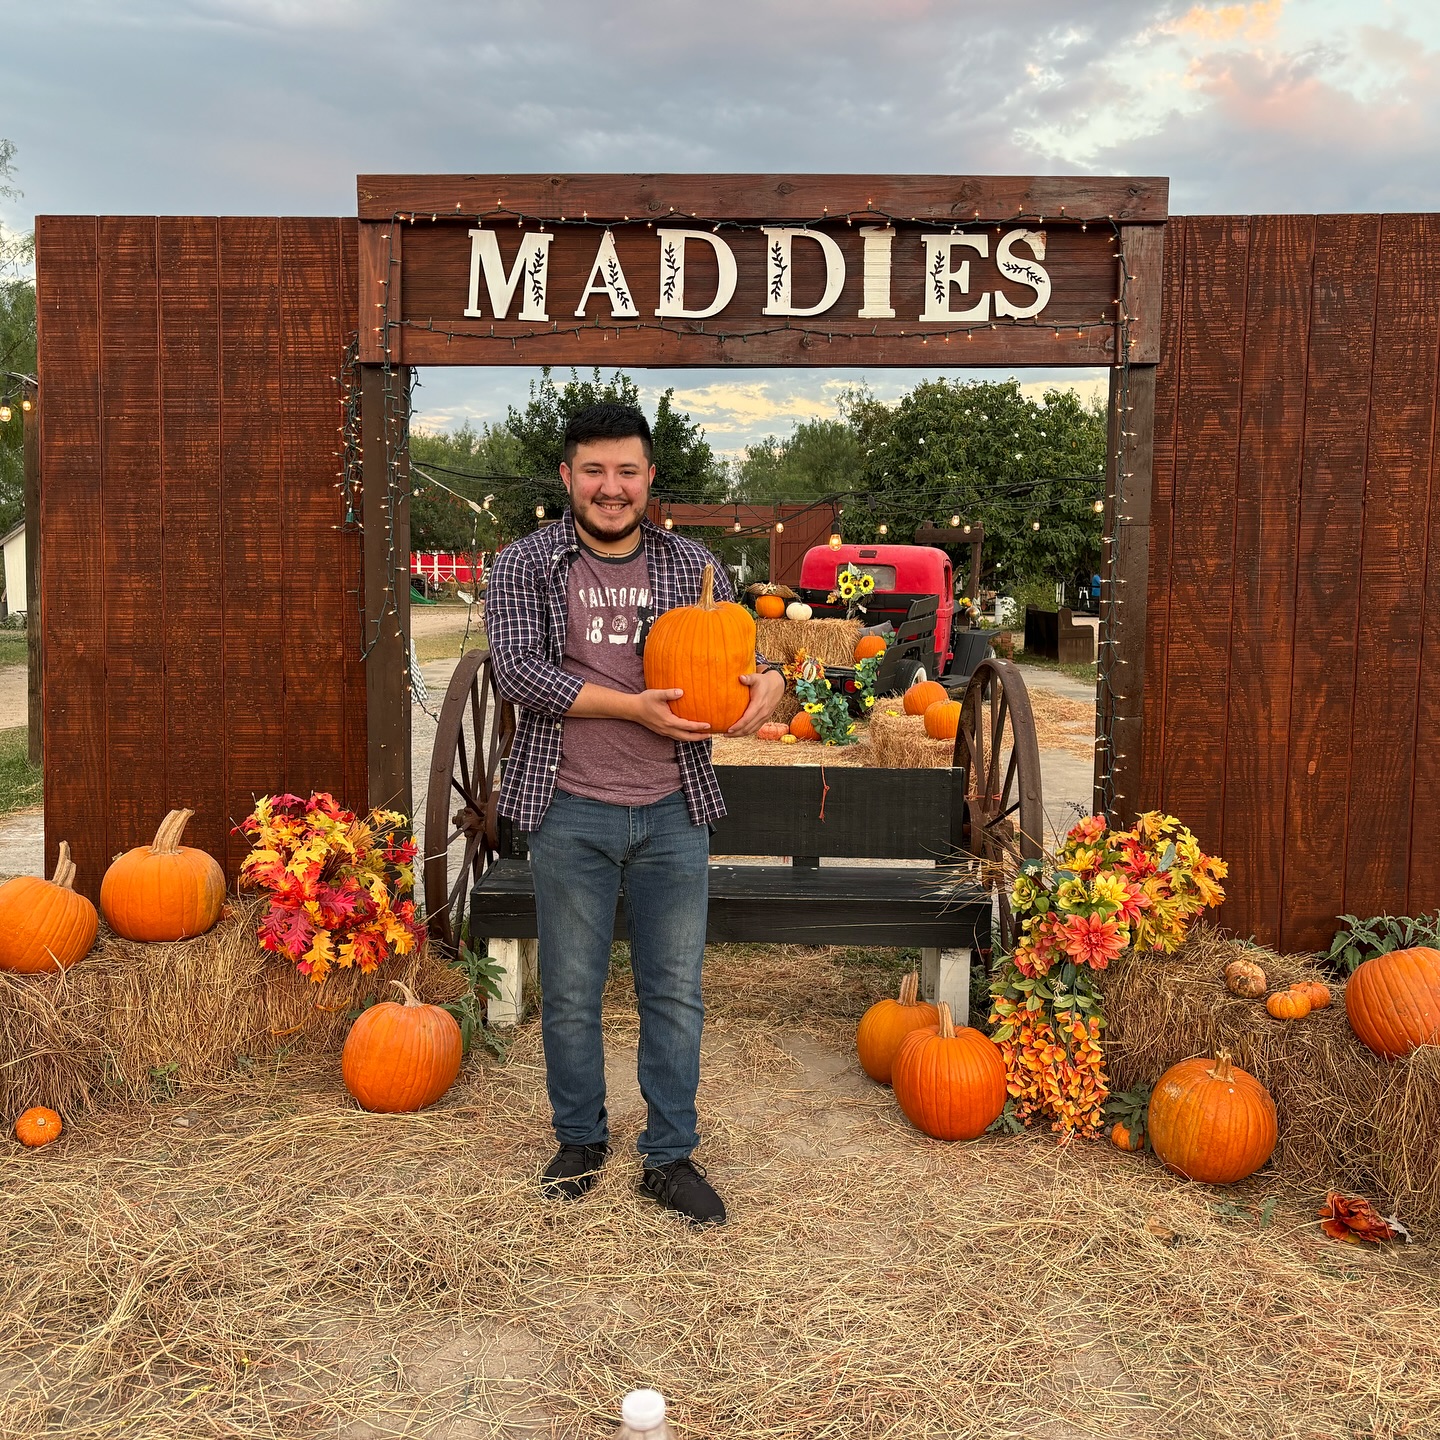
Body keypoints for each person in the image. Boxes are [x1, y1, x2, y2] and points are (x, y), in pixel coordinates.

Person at [486, 403, 786, 1227]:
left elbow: (736, 661)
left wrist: (771, 685)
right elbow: (517, 673)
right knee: (575, 991)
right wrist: (632, 708)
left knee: (674, 992)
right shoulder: (523, 566)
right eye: (594, 471)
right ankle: (580, 1139)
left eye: (626, 471)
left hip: (674, 808)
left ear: (651, 478)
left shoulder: (697, 566)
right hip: (569, 806)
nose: (610, 487)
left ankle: (670, 1156)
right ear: (567, 479)